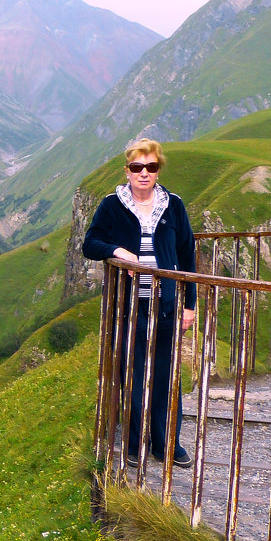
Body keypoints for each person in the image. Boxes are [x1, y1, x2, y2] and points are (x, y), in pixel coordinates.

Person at [82, 139, 197, 468]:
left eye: (151, 167)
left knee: (166, 375)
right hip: (128, 307)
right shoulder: (111, 205)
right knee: (131, 374)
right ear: (127, 171)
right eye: (137, 167)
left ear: (158, 170)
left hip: (166, 304)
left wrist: (189, 304)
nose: (143, 173)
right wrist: (118, 251)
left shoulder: (173, 205)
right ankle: (134, 443)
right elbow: (90, 243)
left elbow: (187, 254)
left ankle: (166, 443)